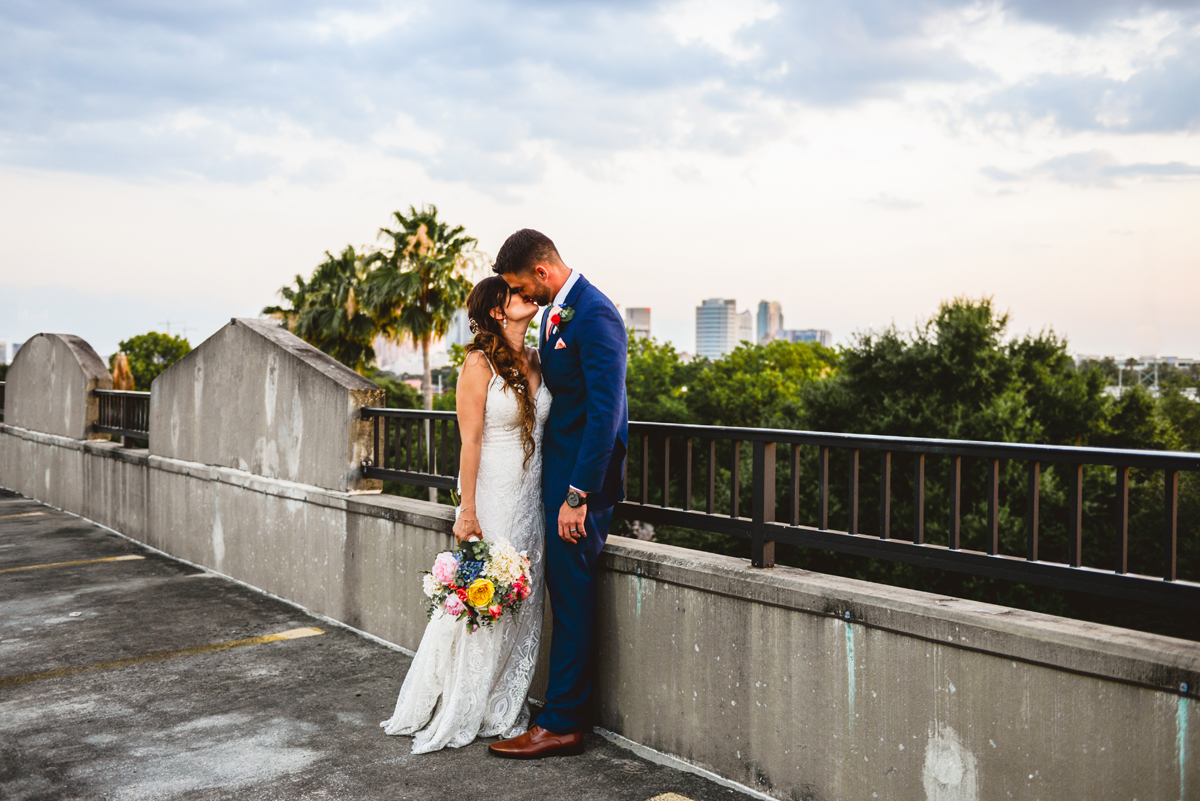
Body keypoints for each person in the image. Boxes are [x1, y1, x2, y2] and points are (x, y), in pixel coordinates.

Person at [380, 275, 551, 753]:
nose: (527, 297)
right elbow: (470, 442)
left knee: (523, 602)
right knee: (486, 598)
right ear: (498, 310)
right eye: (517, 294)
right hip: (493, 496)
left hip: (531, 498)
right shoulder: (477, 364)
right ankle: (463, 702)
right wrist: (467, 511)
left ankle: (502, 700)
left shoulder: (538, 361)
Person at [488, 229, 629, 759]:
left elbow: (605, 414)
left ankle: (564, 724)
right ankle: (560, 710)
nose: (524, 295)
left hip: (578, 489)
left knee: (572, 602)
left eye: (523, 286)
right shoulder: (556, 313)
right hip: (555, 481)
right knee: (561, 597)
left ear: (541, 273)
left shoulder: (595, 315)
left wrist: (579, 495)